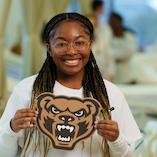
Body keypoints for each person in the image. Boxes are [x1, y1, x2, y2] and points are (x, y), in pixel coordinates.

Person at [0, 12, 142, 157]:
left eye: (79, 42)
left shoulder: (111, 94)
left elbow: (129, 155)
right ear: (49, 48)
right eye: (61, 44)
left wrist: (116, 139)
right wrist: (12, 128)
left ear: (90, 45)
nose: (71, 51)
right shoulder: (26, 90)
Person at [109, 12, 157, 84]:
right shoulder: (107, 36)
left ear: (119, 22)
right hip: (113, 71)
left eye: (113, 22)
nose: (111, 24)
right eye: (110, 22)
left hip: (128, 70)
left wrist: (112, 55)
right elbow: (105, 52)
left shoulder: (129, 36)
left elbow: (127, 53)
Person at [87, 0, 115, 81]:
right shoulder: (81, 44)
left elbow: (110, 57)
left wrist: (111, 74)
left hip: (103, 75)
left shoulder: (104, 31)